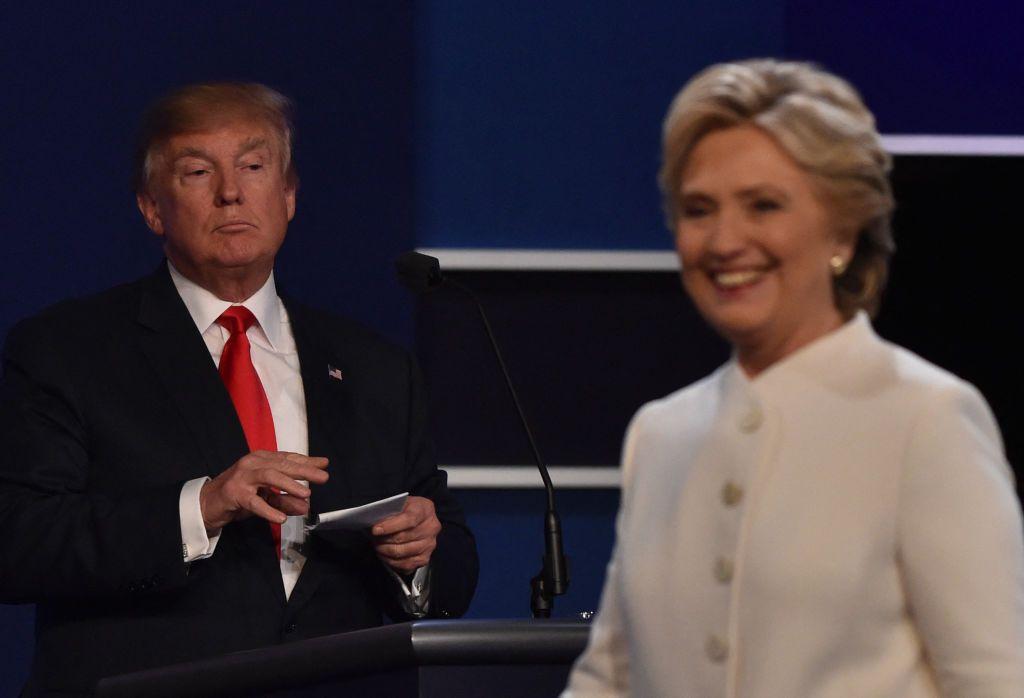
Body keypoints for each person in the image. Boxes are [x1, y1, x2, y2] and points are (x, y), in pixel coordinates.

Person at [564, 59, 1024, 697]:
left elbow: (994, 684)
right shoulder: (661, 433)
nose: (725, 241)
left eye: (763, 205)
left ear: (843, 227)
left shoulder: (927, 418)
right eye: (699, 210)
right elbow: (608, 681)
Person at [0, 82, 478, 696]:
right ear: (151, 207)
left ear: (288, 194)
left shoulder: (374, 367)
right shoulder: (67, 350)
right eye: (198, 171)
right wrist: (202, 505)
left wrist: (417, 557)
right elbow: (17, 541)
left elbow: (453, 569)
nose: (231, 192)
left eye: (254, 166)